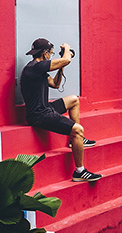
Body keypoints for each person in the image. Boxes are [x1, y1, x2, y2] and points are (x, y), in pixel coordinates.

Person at [19, 38, 101, 183]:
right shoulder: (35, 67)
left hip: (45, 108)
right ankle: (79, 171)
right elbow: (66, 60)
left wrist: (61, 67)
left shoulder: (38, 70)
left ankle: (74, 140)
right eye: (50, 53)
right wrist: (67, 49)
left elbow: (55, 84)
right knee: (78, 129)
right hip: (39, 115)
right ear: (44, 53)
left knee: (74, 100)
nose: (51, 55)